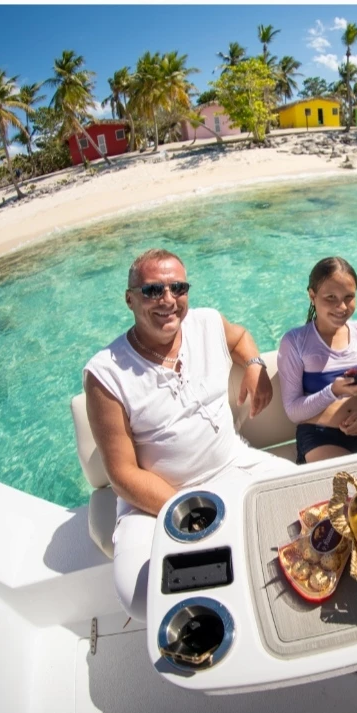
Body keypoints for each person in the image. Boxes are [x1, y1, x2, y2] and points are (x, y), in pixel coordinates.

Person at [83, 248, 292, 621]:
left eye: (178, 288)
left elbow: (239, 336)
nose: (167, 300)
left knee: (311, 512)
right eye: (152, 291)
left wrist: (256, 365)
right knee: (142, 595)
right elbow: (122, 474)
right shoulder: (105, 374)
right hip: (155, 500)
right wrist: (192, 511)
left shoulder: (206, 322)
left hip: (234, 463)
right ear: (130, 299)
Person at [278, 257, 357, 463]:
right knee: (347, 490)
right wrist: (333, 391)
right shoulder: (295, 341)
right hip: (320, 435)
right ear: (312, 296)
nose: (341, 307)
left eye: (349, 297)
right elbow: (293, 411)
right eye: (331, 297)